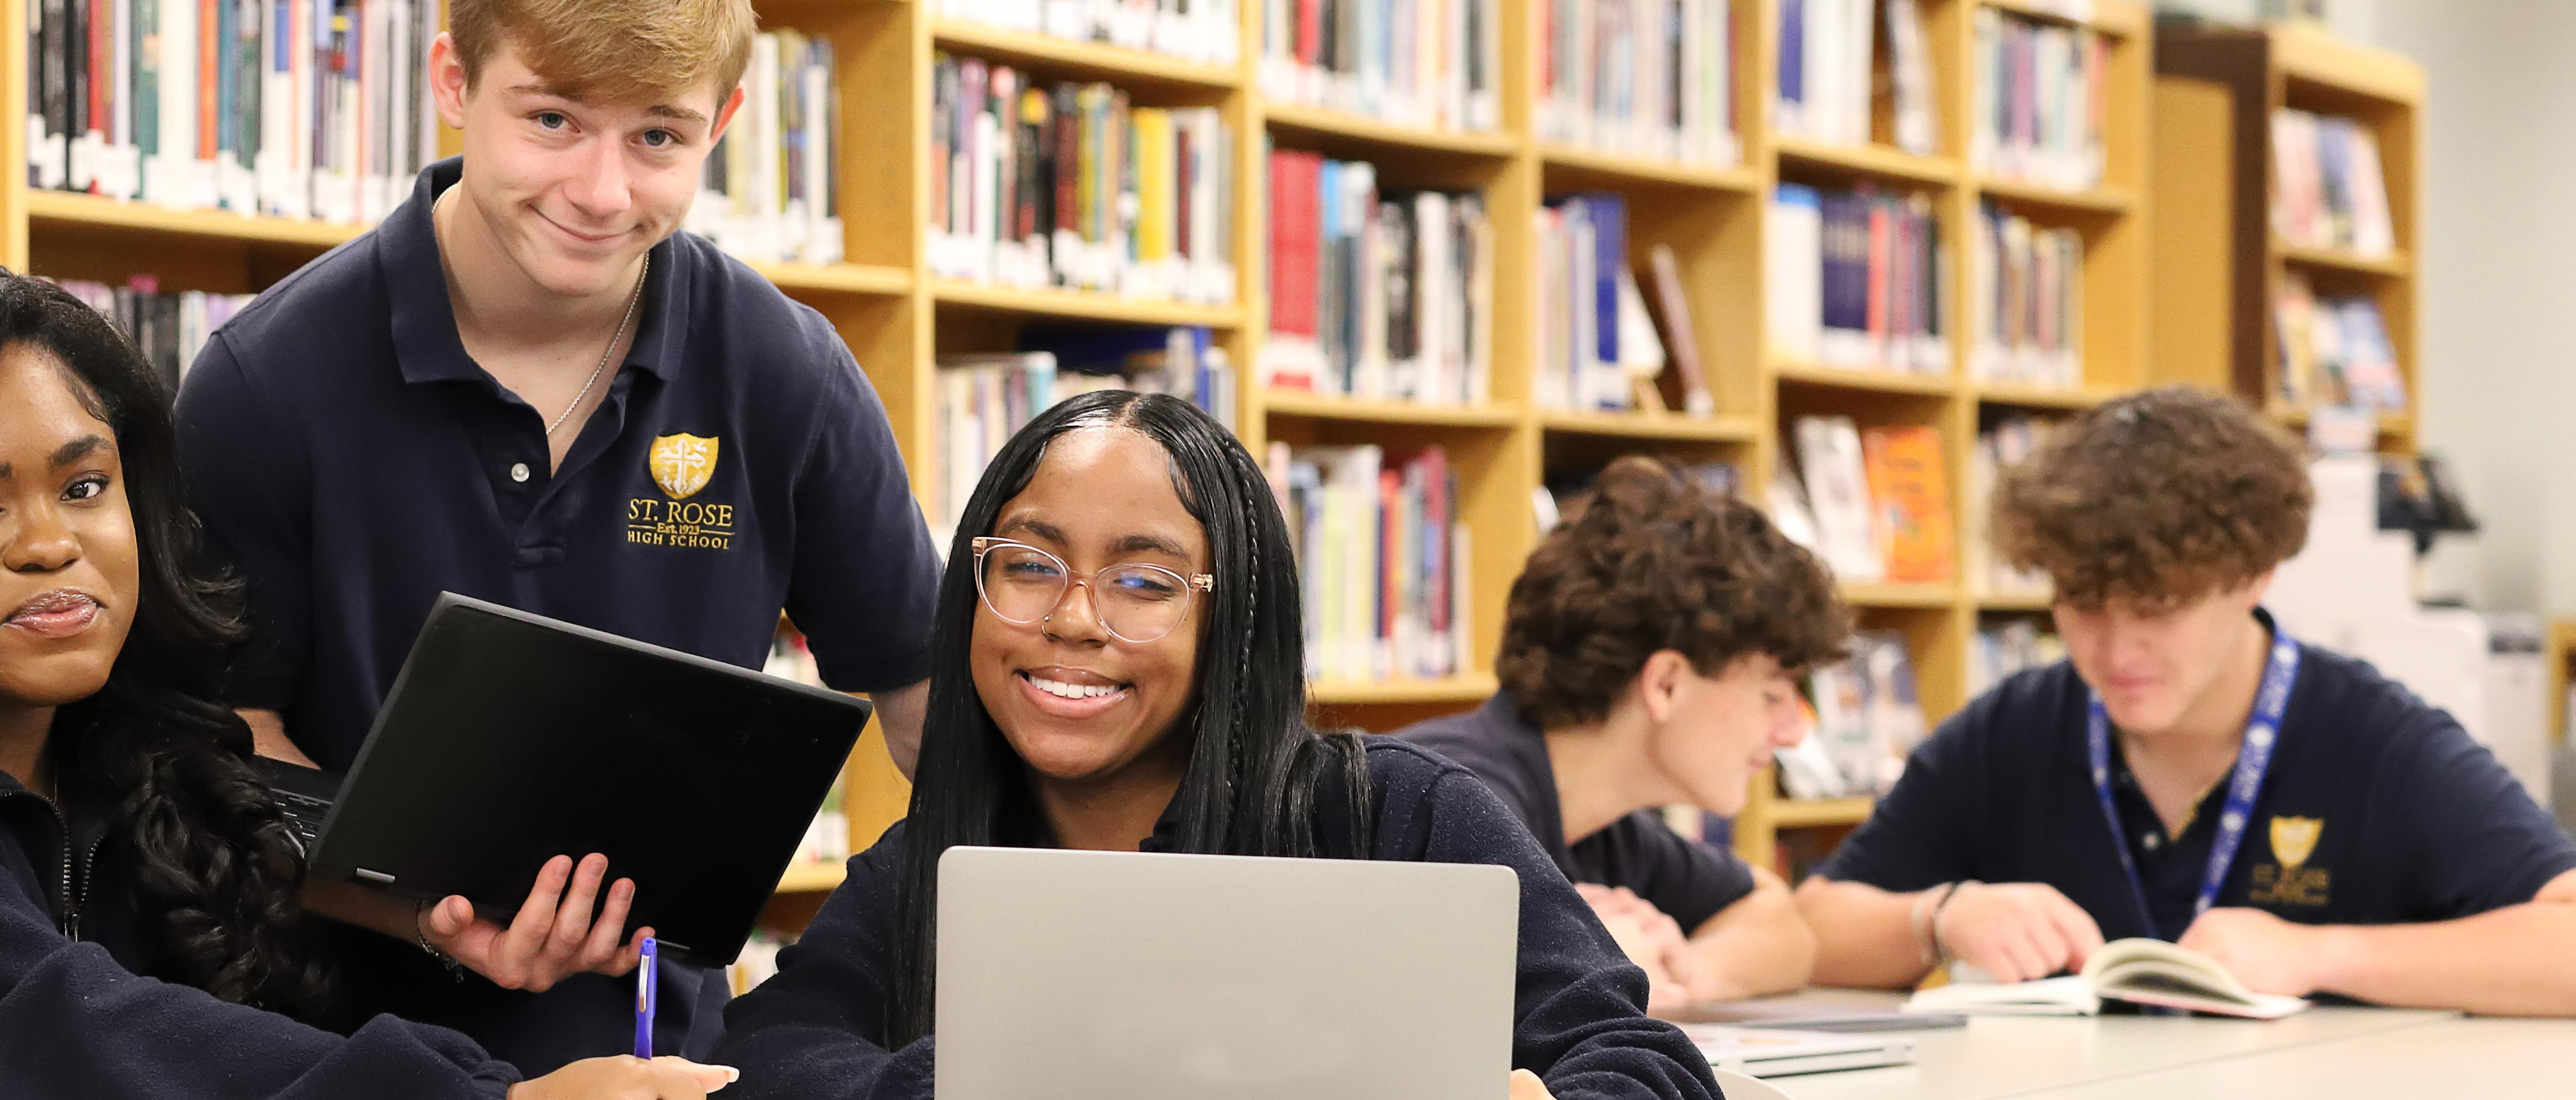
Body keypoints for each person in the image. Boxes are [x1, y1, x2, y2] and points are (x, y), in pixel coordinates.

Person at [0, 256, 739, 1100]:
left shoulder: (124, 762)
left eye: (84, 486)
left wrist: (435, 923)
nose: (49, 542)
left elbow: (283, 955)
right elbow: (65, 1039)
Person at [170, 0, 939, 1068]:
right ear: (451, 81)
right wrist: (413, 909)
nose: (598, 190)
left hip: (663, 1063)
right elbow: (229, 738)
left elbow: (925, 697)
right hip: (343, 1054)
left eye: (658, 138)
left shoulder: (783, 371)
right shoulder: (263, 381)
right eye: (551, 119)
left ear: (724, 123)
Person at [709, 391, 1721, 1100]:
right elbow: (763, 1056)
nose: (1071, 618)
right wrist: (966, 1083)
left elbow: (1646, 1061)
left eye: (1144, 583)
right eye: (1027, 564)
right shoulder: (939, 856)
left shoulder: (1398, 814)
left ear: (1231, 621)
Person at [1796, 387, 2576, 1016]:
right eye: (2081, 603)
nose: (2113, 650)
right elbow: (1804, 930)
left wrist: (2320, 953)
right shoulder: (2014, 728)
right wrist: (1937, 915)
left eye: (2157, 606)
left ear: (2254, 576)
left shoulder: (2378, 741)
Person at [1401, 458, 1841, 1014]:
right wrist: (1611, 963)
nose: (1795, 732)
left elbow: (1783, 925)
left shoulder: (1600, 827)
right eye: (1773, 695)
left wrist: (1682, 970)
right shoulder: (1447, 805)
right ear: (1667, 684)